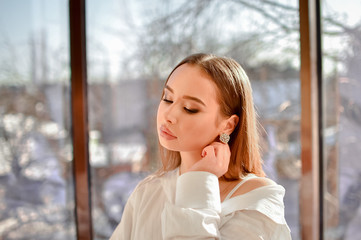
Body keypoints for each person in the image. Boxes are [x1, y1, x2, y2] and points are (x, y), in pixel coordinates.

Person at [110, 53, 291, 239]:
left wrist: (199, 179)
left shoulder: (258, 199)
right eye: (167, 98)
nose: (168, 115)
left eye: (189, 108)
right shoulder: (147, 192)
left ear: (228, 125)